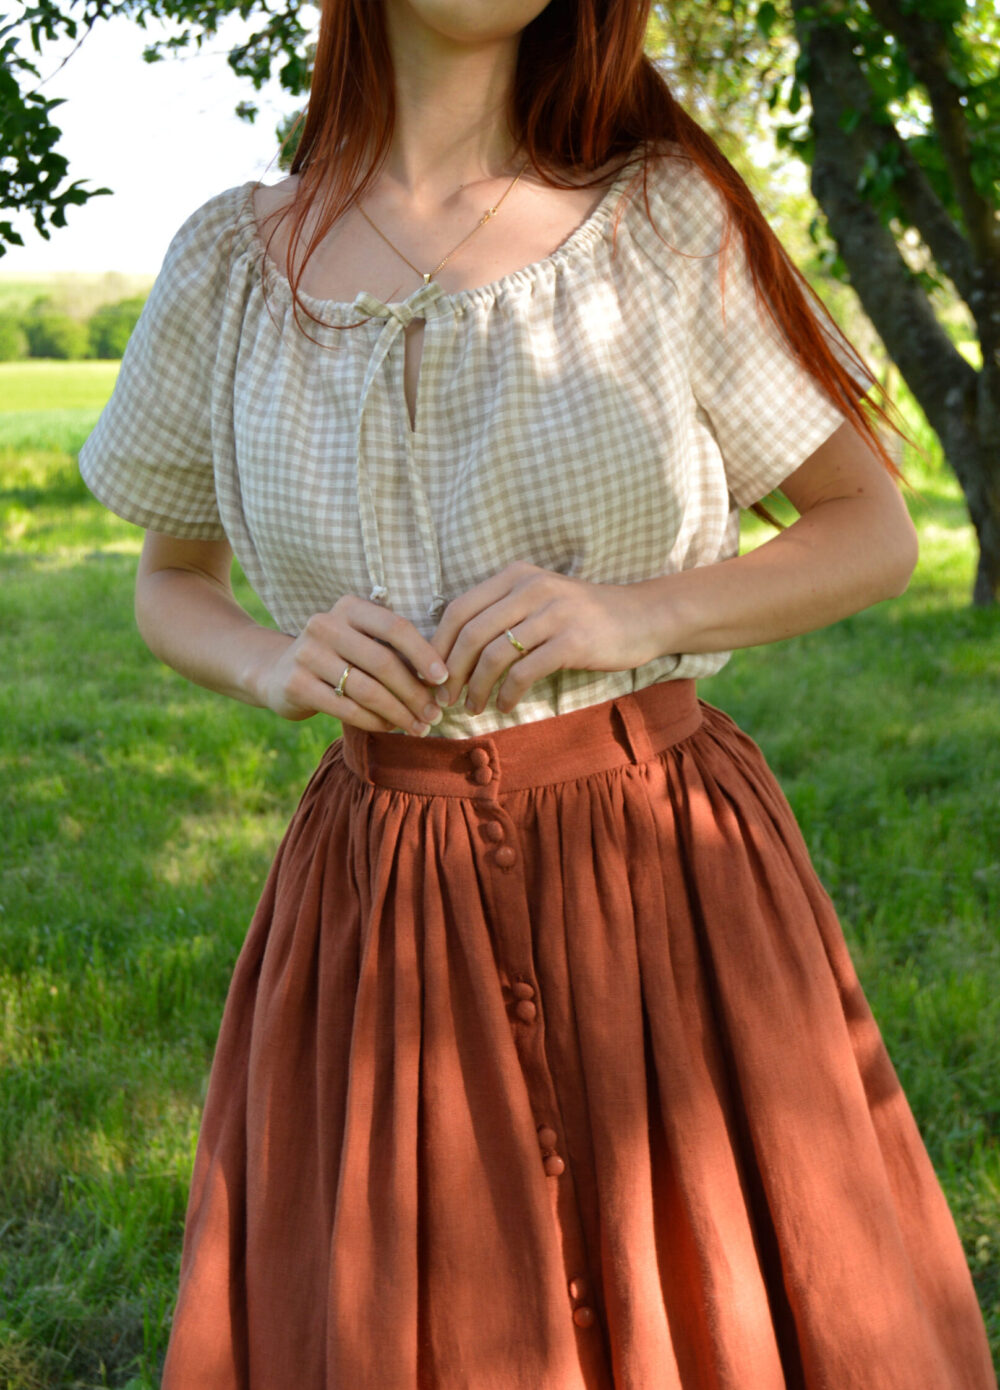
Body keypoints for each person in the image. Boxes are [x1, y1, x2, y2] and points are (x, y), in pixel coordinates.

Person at [78, 0, 997, 1385]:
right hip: (383, 887)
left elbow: (869, 525)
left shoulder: (662, 223)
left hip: (660, 867)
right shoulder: (232, 263)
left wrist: (635, 612)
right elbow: (170, 581)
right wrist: (275, 661)